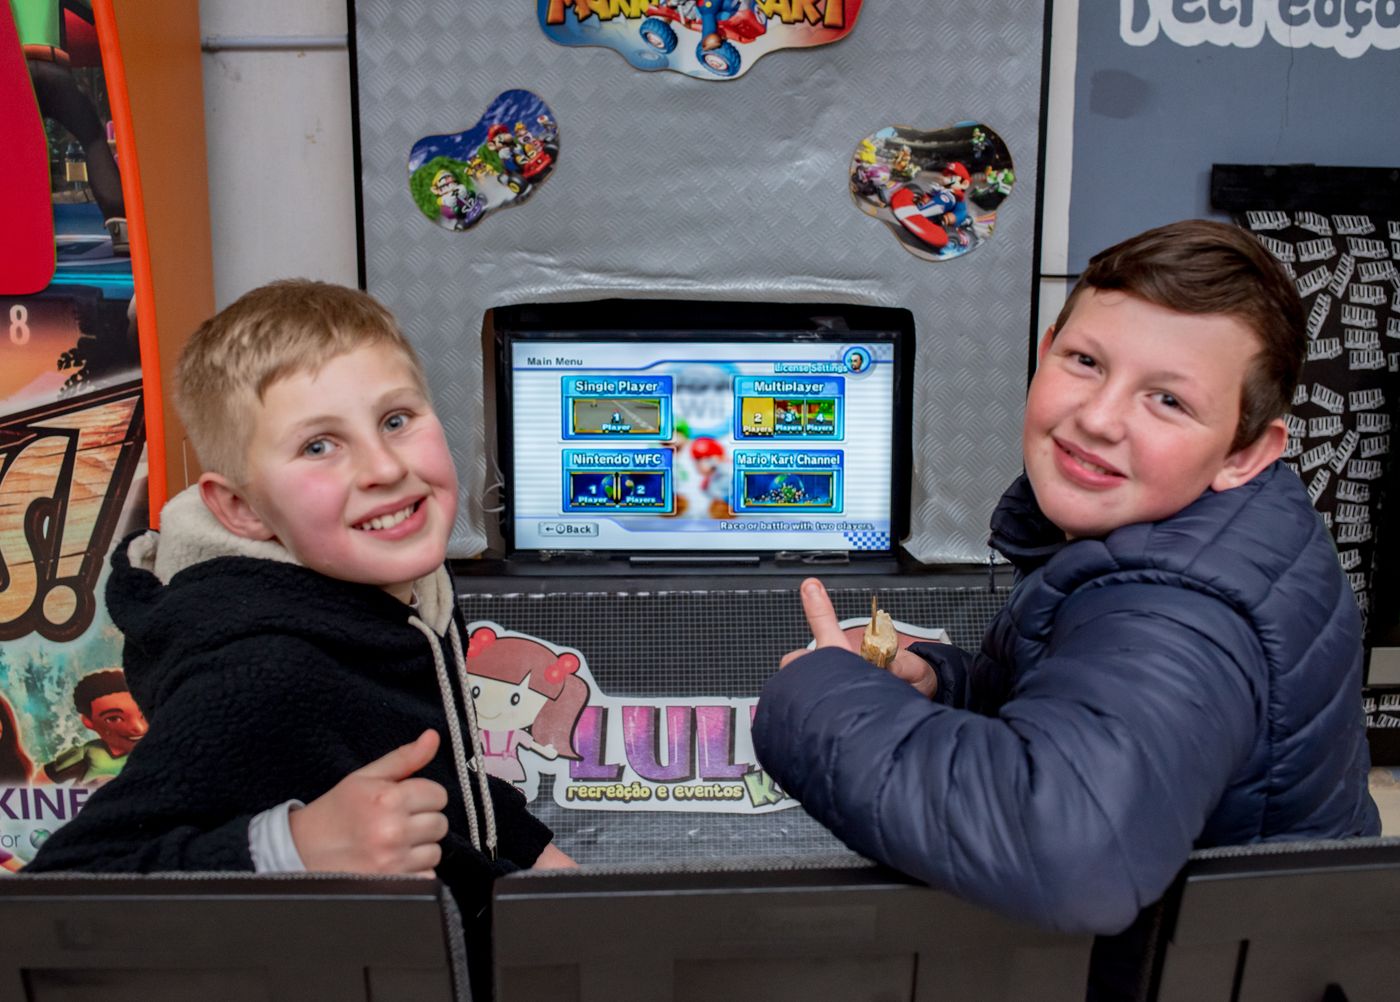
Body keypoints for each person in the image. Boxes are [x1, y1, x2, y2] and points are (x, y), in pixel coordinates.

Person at [752, 220, 1380, 998]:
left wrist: (815, 696)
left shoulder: (1181, 610)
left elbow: (1070, 852)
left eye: (1169, 400)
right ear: (1046, 348)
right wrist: (947, 684)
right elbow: (1099, 702)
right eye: (1086, 362)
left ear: (1246, 451)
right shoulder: (1205, 526)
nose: (1099, 418)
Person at [25, 280, 573, 997]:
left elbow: (418, 767)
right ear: (242, 509)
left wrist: (532, 855)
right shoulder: (260, 673)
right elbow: (61, 900)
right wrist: (295, 848)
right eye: (319, 445)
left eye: (397, 419)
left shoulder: (402, 593)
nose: (384, 468)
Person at [41, 668, 147, 784]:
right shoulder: (87, 753)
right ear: (88, 721)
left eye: (145, 713)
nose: (139, 728)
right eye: (114, 718)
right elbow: (37, 781)